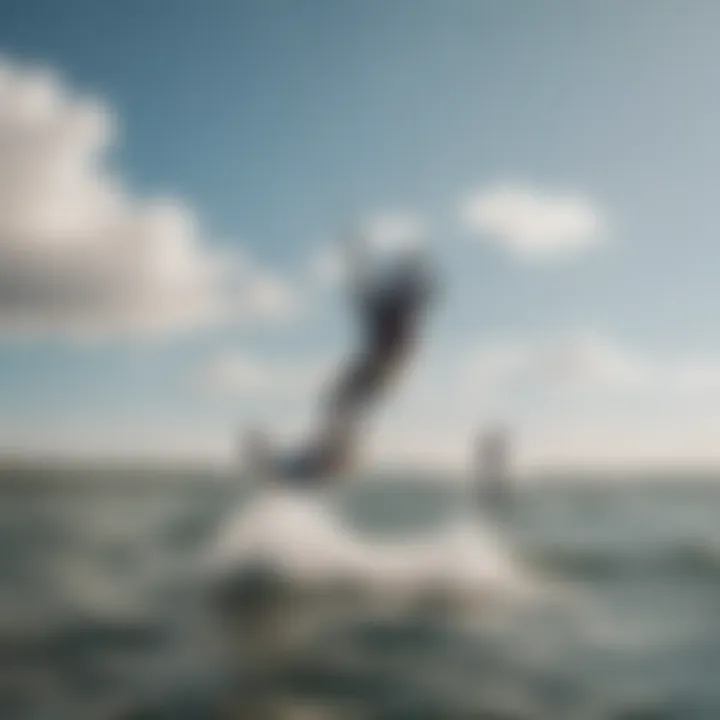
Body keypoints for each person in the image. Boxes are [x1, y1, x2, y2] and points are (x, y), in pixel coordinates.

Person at [261, 238, 436, 485]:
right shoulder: (391, 300)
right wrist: (358, 271)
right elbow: (368, 300)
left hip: (385, 362)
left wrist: (363, 275)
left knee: (343, 401)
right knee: (341, 401)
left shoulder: (403, 301)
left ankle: (331, 458)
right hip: (384, 362)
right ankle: (330, 456)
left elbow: (398, 297)